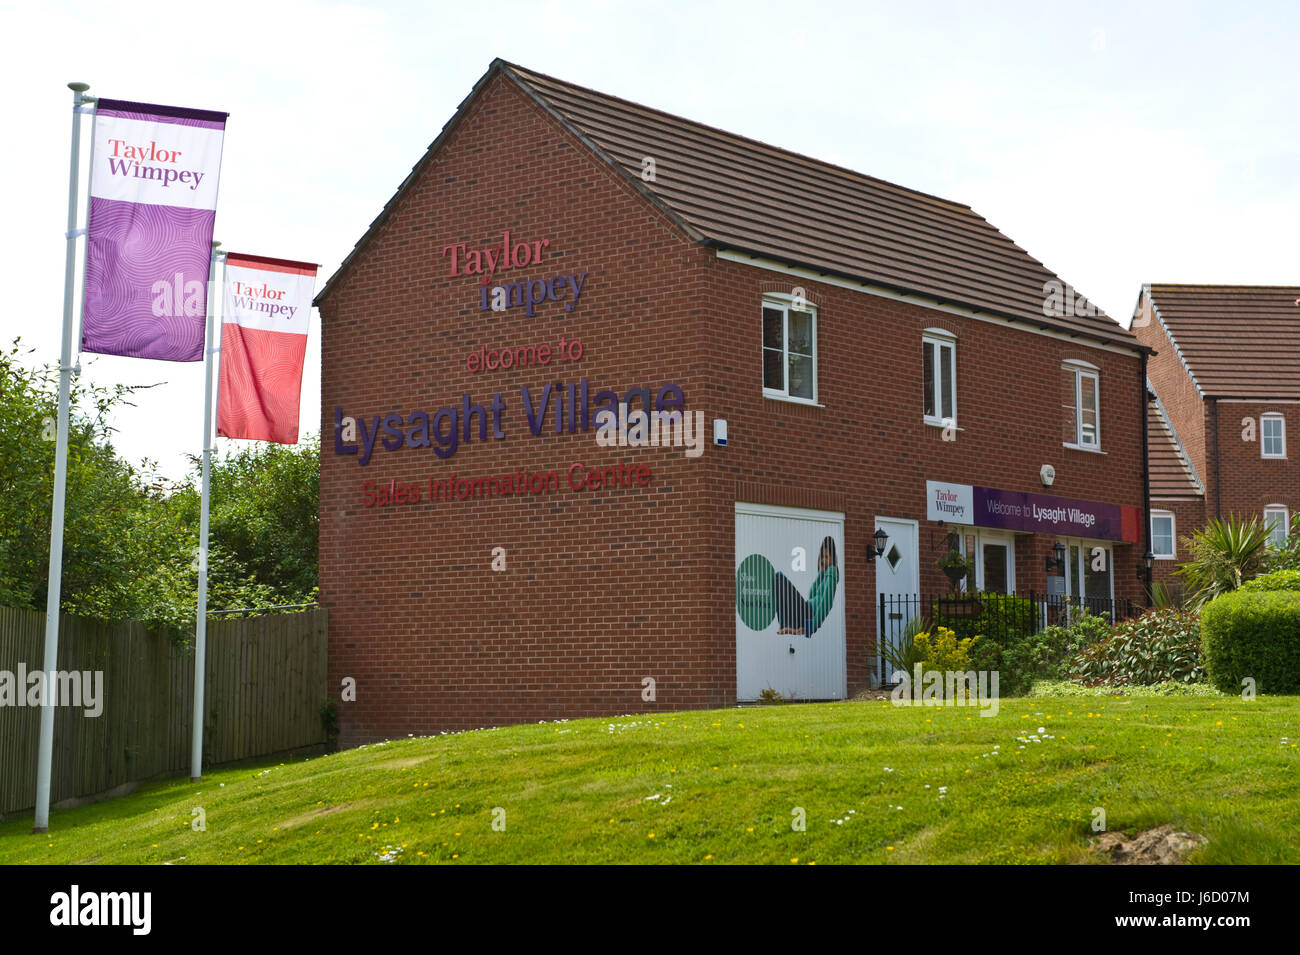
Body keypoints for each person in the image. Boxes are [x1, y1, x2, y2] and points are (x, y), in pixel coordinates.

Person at [773, 536, 839, 636]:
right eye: (821, 557)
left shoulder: (832, 571)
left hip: (808, 613)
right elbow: (811, 594)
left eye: (826, 557)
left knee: (779, 577)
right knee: (780, 589)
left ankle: (787, 625)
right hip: (805, 611)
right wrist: (821, 573)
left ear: (832, 558)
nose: (822, 560)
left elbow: (827, 604)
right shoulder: (824, 575)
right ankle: (785, 625)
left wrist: (811, 627)